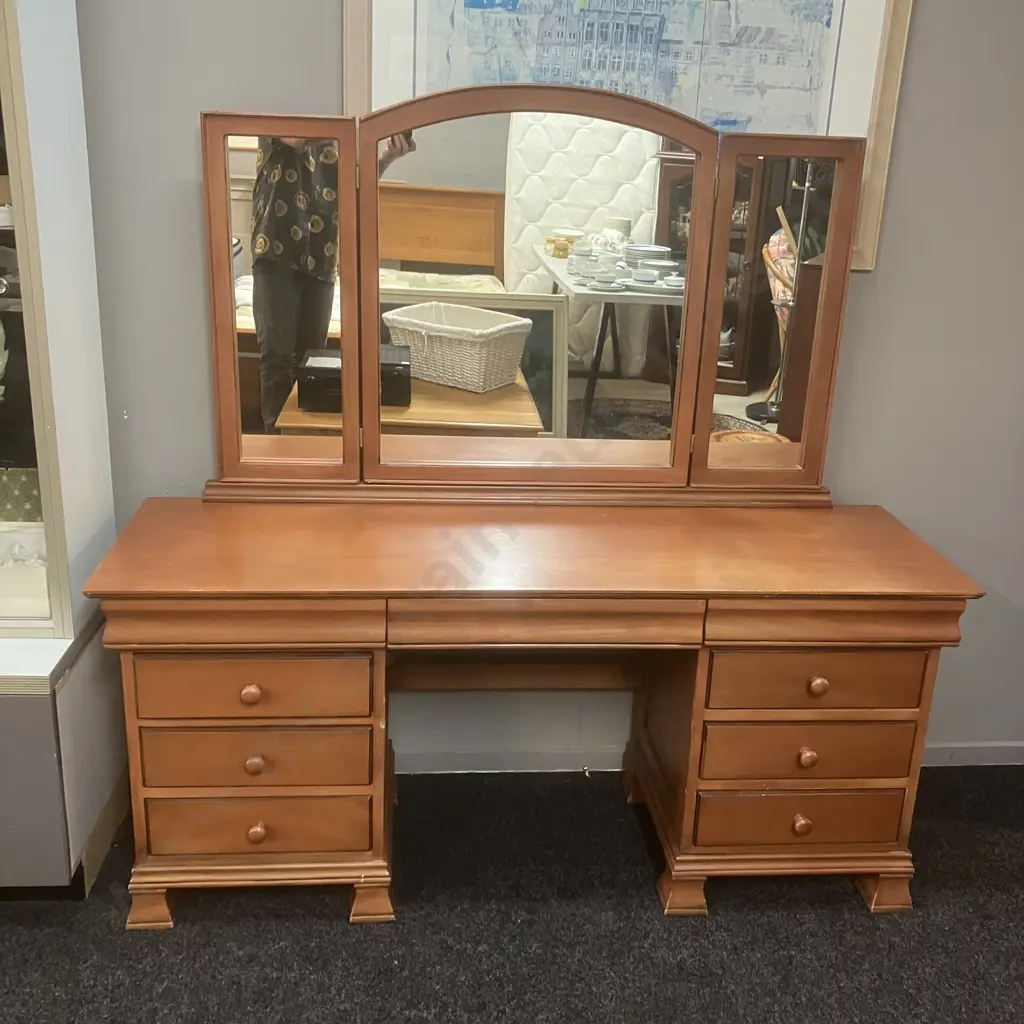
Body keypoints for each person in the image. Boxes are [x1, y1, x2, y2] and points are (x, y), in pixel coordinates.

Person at [250, 132, 414, 432]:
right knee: (277, 356)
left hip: (321, 251)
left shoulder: (341, 135)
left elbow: (355, 187)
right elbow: (294, 138)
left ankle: (306, 443)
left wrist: (386, 157)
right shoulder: (286, 106)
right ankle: (276, 447)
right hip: (277, 246)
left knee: (313, 360)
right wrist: (354, 126)